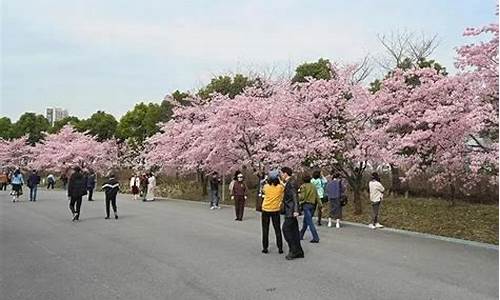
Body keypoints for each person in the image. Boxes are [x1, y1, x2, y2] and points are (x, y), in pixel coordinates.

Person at [280, 167, 304, 260]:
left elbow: (295, 196)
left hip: (291, 211)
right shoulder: (290, 182)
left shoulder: (291, 183)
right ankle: (299, 251)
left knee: (286, 229)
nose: (281, 175)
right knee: (294, 231)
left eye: (282, 173)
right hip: (290, 210)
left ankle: (293, 250)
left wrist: (296, 210)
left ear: (285, 173)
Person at [260, 171, 284, 254]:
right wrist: (280, 181)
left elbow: (261, 185)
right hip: (275, 210)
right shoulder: (280, 188)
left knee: (265, 229)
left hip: (266, 209)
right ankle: (280, 248)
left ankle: (265, 248)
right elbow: (285, 187)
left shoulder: (266, 187)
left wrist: (265, 179)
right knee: (277, 229)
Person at [299, 174, 321, 243]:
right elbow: (317, 196)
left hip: (306, 205)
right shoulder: (313, 186)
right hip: (313, 205)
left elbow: (302, 197)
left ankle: (315, 237)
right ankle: (301, 235)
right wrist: (320, 204)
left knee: (310, 222)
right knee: (306, 221)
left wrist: (297, 196)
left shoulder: (303, 186)